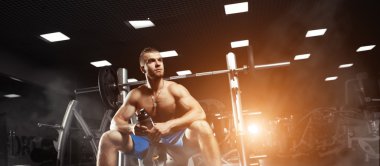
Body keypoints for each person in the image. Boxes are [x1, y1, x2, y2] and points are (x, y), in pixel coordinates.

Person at [97, 47, 221, 166]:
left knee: (202, 126)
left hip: (176, 139)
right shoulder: (136, 95)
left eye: (160, 60)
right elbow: (114, 123)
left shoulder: (175, 89)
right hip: (146, 141)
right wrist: (132, 127)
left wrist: (169, 125)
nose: (158, 64)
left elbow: (199, 113)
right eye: (151, 61)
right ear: (142, 69)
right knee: (108, 138)